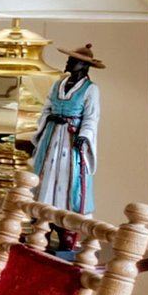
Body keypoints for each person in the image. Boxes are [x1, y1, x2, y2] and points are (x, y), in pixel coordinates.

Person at [29, 43, 102, 213]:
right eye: (69, 60)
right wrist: (49, 118)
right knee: (46, 167)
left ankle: (66, 211)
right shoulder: (58, 85)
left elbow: (91, 116)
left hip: (71, 137)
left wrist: (84, 135)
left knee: (69, 172)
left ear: (84, 65)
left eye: (72, 61)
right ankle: (42, 209)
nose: (68, 63)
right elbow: (46, 107)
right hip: (52, 134)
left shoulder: (90, 89)